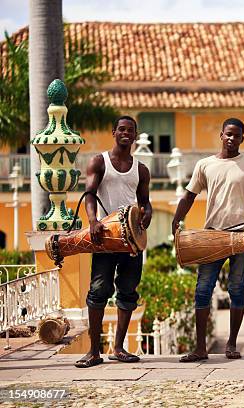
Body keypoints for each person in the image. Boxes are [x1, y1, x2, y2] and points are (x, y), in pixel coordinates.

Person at [172, 118, 244, 362]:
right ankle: (200, 348)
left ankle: (231, 344)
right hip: (212, 235)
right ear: (221, 135)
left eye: (236, 135)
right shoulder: (204, 165)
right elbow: (189, 196)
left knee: (237, 290)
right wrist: (177, 219)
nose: (231, 138)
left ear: (242, 138)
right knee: (202, 290)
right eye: (228, 134)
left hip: (243, 235)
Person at [75, 116, 152, 368]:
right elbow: (89, 194)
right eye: (122, 129)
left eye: (130, 130)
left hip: (131, 239)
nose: (126, 133)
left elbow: (144, 201)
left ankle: (118, 348)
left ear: (135, 135)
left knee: (128, 291)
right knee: (98, 291)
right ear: (114, 132)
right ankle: (94, 351)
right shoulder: (99, 161)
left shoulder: (141, 169)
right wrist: (93, 221)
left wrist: (147, 212)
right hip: (106, 236)